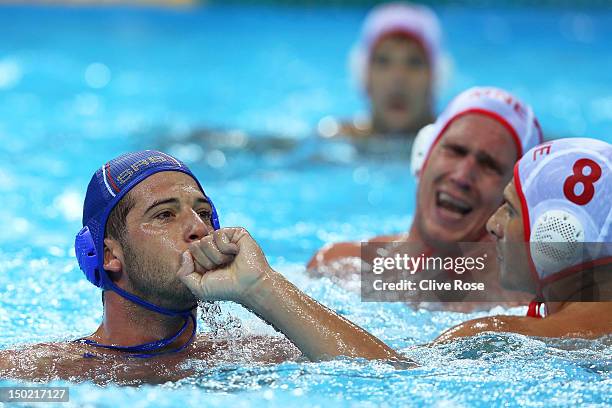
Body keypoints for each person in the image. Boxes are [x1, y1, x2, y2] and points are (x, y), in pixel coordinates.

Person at [0, 150, 405, 384]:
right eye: (164, 215)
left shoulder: (258, 356)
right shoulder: (42, 376)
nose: (198, 229)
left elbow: (393, 382)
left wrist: (262, 287)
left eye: (204, 212)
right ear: (108, 255)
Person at [309, 86, 544, 310]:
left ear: (512, 200)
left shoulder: (522, 310)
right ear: (422, 157)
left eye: (489, 165)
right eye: (455, 150)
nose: (462, 176)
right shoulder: (337, 268)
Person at [435, 137, 612, 341]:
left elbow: (409, 367)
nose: (492, 224)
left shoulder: (500, 337)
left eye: (510, 210)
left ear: (558, 234)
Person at [320, 2, 442, 139]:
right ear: (364, 75)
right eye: (383, 61)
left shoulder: (456, 143)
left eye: (414, 62)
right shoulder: (335, 138)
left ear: (435, 77)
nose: (398, 78)